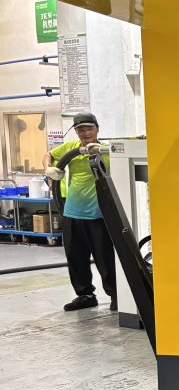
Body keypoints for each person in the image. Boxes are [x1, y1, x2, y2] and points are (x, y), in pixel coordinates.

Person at [43, 112, 117, 311]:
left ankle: (116, 296)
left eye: (89, 128)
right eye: (81, 129)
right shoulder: (69, 148)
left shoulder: (107, 150)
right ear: (76, 131)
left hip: (99, 214)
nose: (85, 133)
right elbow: (48, 154)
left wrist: (101, 151)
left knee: (105, 258)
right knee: (75, 257)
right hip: (73, 212)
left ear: (97, 129)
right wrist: (48, 169)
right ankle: (85, 295)